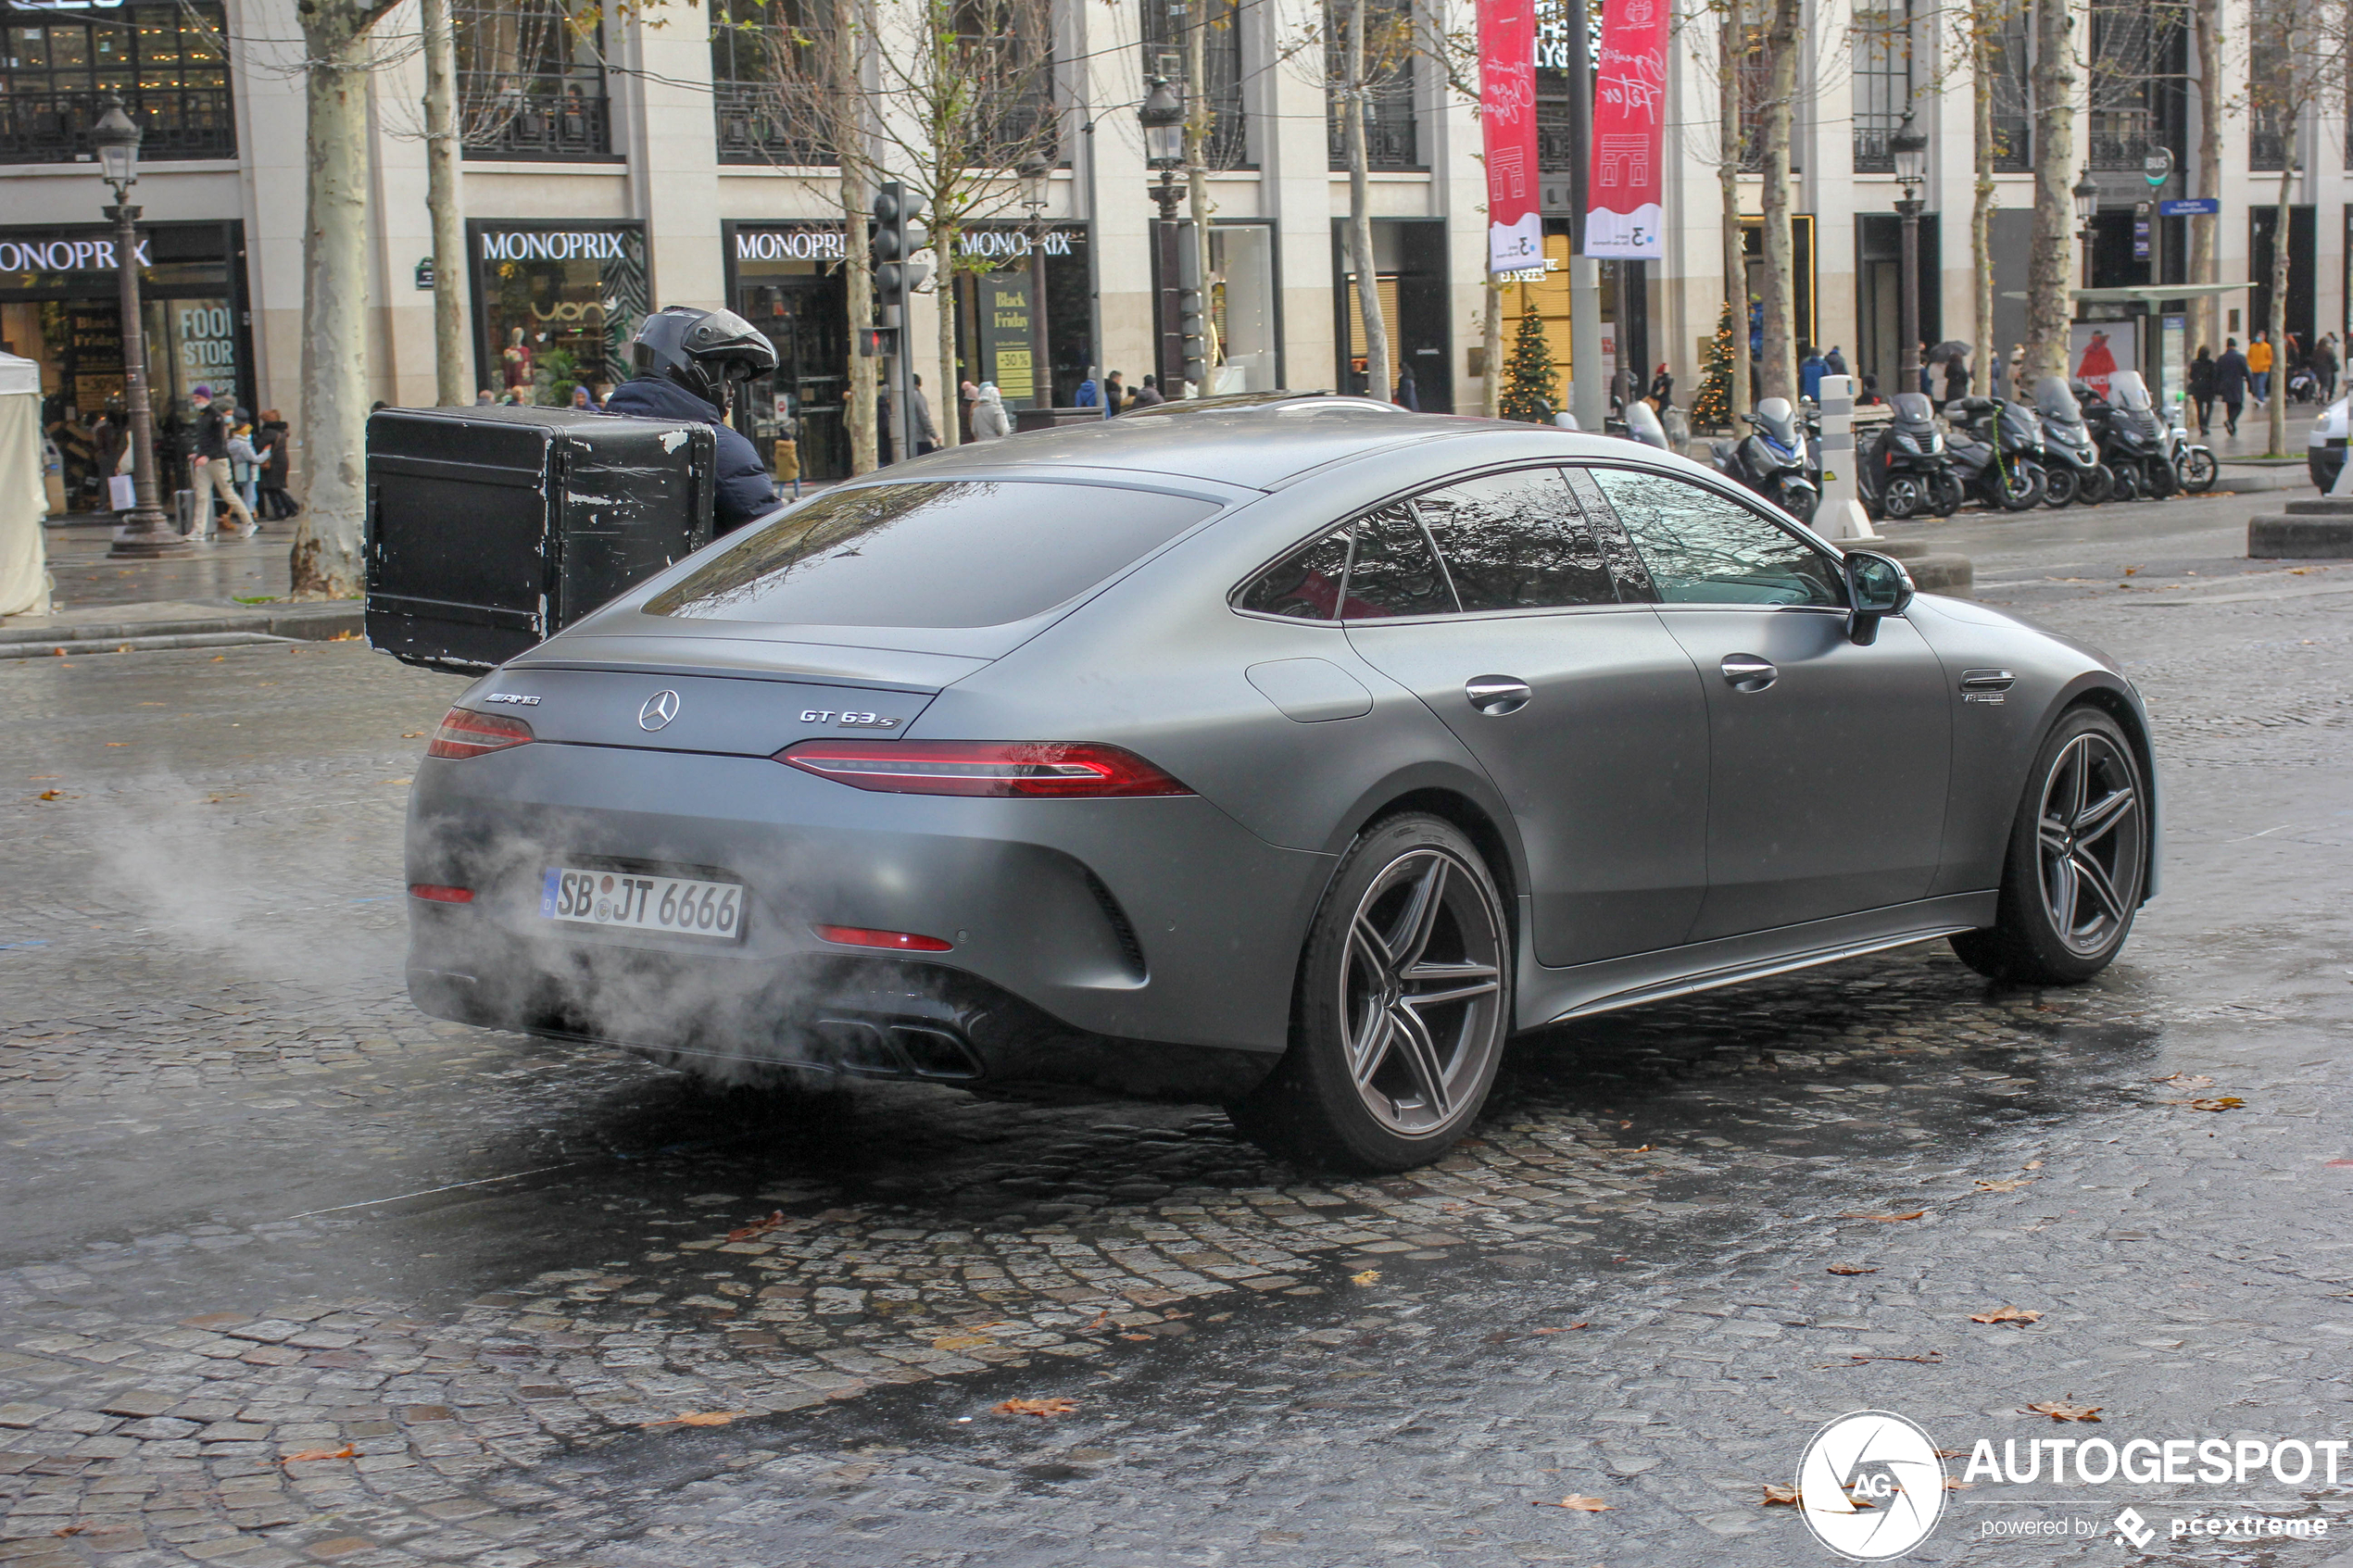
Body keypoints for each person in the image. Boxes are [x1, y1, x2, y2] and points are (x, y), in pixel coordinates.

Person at [602, 306, 781, 532]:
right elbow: (773, 537)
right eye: (726, 378)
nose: (731, 391)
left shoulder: (600, 432)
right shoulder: (719, 446)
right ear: (698, 370)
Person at [185, 385, 255, 541]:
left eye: (198, 397)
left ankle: (248, 522)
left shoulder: (215, 416)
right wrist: (199, 454)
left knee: (227, 494)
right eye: (194, 397)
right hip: (205, 460)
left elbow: (219, 441)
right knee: (201, 496)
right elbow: (206, 440)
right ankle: (198, 530)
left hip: (217, 460)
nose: (195, 400)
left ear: (206, 397)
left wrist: (205, 456)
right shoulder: (204, 416)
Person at [257, 409, 296, 520]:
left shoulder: (269, 432)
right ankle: (290, 507)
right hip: (281, 461)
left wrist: (255, 439)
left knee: (271, 488)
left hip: (273, 462)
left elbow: (259, 445)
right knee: (276, 487)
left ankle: (284, 510)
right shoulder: (282, 431)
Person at [228, 416, 267, 522]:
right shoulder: (243, 444)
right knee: (250, 493)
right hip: (248, 468)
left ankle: (247, 516)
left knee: (245, 491)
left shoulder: (232, 442)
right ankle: (248, 517)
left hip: (239, 467)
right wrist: (266, 453)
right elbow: (255, 459)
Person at [2214, 337, 2249, 436]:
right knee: (2239, 406)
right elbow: (2246, 372)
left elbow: (2217, 374)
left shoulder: (2221, 358)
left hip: (2225, 385)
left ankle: (2232, 427)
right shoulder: (2240, 358)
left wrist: (2216, 388)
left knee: (2229, 406)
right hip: (2237, 385)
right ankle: (2230, 421)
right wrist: (2251, 385)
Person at [2187, 346, 2218, 436]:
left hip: (2198, 389)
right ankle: (2206, 424)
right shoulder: (2211, 363)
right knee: (2209, 407)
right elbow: (2214, 376)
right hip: (2209, 389)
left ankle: (2202, 425)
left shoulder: (2195, 364)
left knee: (2199, 408)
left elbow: (2191, 376)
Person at [909, 373, 942, 454]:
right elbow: (924, 417)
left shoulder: (904, 396)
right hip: (920, 437)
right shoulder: (917, 396)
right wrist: (934, 435)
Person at [2246, 331, 2273, 407]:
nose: (2259, 338)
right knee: (2255, 385)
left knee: (2260, 385)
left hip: (2263, 370)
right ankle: (2258, 398)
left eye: (2261, 336)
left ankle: (2260, 399)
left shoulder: (2267, 347)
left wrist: (2264, 364)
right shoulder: (2252, 347)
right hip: (2254, 369)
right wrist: (2250, 364)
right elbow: (2249, 357)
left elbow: (2270, 358)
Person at [2315, 334, 2340, 405]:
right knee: (2327, 385)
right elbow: (2333, 359)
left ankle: (2321, 399)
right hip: (2328, 370)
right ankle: (2320, 395)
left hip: (2319, 370)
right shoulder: (2328, 351)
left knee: (2322, 384)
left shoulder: (2317, 351)